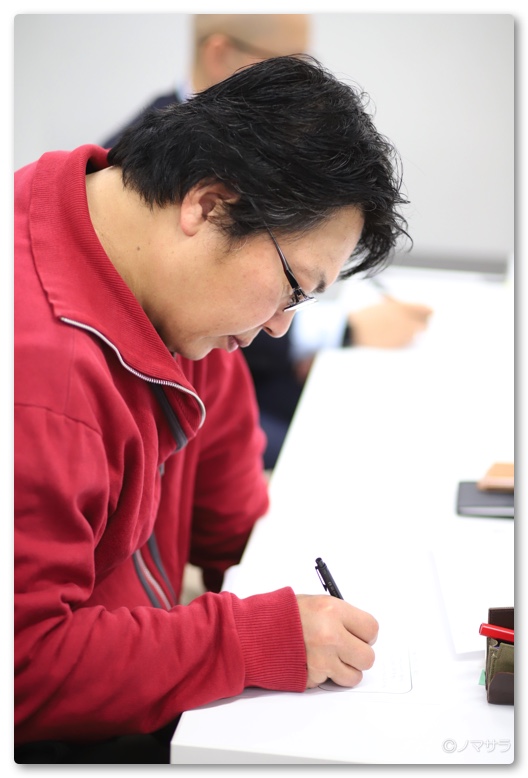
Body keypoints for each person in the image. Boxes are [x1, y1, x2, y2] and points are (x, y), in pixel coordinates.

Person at [15, 55, 409, 762]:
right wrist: (250, 641)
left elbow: (231, 518)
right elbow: (23, 667)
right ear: (208, 204)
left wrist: (278, 575)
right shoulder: (39, 384)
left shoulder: (164, 288)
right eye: (292, 288)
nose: (281, 327)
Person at [103, 13, 432, 468]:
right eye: (284, 64)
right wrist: (343, 331)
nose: (297, 88)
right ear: (220, 54)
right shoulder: (139, 171)